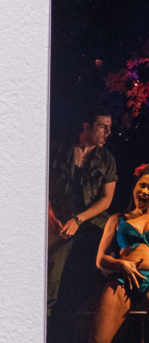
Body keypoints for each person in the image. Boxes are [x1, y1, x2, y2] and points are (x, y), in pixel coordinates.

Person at [77, 165, 149, 343]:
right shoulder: (117, 219)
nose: (145, 191)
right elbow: (100, 260)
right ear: (135, 186)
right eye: (143, 184)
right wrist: (121, 264)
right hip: (123, 278)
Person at [50, 109, 118, 317]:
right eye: (102, 127)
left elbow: (106, 199)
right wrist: (50, 215)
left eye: (110, 128)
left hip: (91, 218)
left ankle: (101, 309)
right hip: (59, 217)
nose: (108, 133)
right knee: (51, 272)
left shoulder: (106, 159)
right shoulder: (57, 149)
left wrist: (79, 219)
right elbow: (37, 185)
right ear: (87, 127)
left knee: (115, 241)